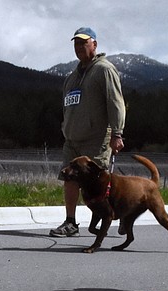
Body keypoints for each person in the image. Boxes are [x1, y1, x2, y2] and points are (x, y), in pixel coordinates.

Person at [49, 27, 126, 238]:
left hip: (97, 138)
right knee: (69, 178)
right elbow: (67, 107)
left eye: (84, 43)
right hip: (72, 139)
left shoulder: (104, 70)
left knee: (100, 183)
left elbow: (116, 103)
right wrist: (66, 127)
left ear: (95, 44)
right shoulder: (72, 77)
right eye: (76, 43)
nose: (79, 47)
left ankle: (120, 214)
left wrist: (117, 134)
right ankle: (71, 222)